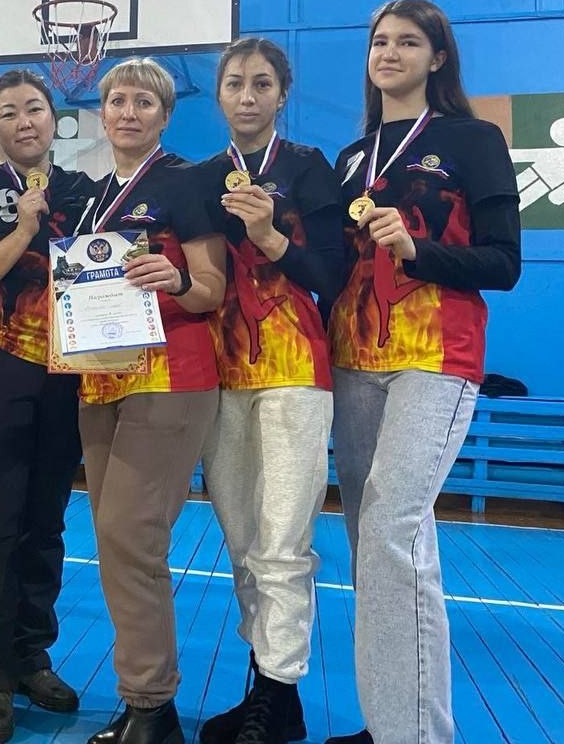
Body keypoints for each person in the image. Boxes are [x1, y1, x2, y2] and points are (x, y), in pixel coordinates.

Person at [325, 0, 521, 744]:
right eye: (380, 40)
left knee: (391, 531)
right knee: (376, 547)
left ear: (438, 58)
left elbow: (504, 263)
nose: (390, 52)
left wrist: (417, 250)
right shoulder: (353, 156)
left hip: (436, 357)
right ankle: (393, 725)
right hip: (354, 358)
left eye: (408, 42)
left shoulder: (474, 139)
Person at [193, 39, 343, 744]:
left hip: (293, 372)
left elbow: (333, 275)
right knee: (245, 543)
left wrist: (270, 235)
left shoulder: (309, 168)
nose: (247, 96)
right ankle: (273, 691)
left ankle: (277, 693)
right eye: (234, 84)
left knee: (283, 544)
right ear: (219, 94)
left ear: (282, 93)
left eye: (261, 84)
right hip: (220, 375)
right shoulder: (200, 177)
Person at [76, 59, 226, 744]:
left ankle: (151, 706)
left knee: (131, 536)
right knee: (116, 543)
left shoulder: (186, 181)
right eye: (117, 100)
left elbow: (211, 289)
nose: (128, 112)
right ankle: (143, 701)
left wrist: (177, 279)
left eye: (144, 102)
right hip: (100, 379)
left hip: (171, 375)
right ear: (102, 113)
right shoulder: (93, 196)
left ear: (165, 116)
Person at [0, 70, 96, 742]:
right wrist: (23, 229)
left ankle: (32, 656)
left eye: (34, 108)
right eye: (9, 112)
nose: (24, 121)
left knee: (47, 520)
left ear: (53, 118)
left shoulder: (82, 189)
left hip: (64, 374)